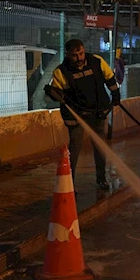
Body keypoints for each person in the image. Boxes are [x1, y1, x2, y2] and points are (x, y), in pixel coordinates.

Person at [45, 39, 120, 191]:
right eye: (74, 55)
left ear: (84, 50)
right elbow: (56, 93)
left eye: (81, 53)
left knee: (100, 148)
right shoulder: (61, 72)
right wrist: (53, 93)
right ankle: (69, 184)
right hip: (77, 117)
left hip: (98, 113)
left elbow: (110, 79)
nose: (79, 58)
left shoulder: (97, 61)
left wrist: (115, 95)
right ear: (67, 55)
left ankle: (101, 179)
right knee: (75, 151)